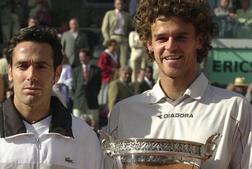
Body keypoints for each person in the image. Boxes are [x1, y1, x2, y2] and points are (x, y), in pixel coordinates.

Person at [105, 0, 252, 169]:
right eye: (161, 38)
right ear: (149, 44)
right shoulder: (123, 112)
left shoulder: (234, 109)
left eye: (181, 37)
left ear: (199, 40)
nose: (170, 46)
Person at [0, 26, 103, 169]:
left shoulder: (85, 139)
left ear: (57, 74)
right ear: (10, 72)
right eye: (22, 66)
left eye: (41, 66)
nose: (31, 76)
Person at [72, 48, 102, 126]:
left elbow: (98, 86)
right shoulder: (76, 71)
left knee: (94, 125)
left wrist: (93, 95)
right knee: (76, 126)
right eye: (80, 57)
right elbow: (73, 87)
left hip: (92, 103)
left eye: (83, 57)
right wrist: (76, 98)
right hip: (79, 103)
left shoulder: (97, 70)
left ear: (88, 57)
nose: (81, 59)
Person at [101, 0, 132, 67]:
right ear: (115, 4)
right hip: (113, 38)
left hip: (124, 38)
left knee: (124, 60)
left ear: (124, 5)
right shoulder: (109, 14)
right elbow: (104, 28)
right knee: (113, 58)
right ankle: (113, 76)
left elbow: (131, 28)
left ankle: (122, 75)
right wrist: (107, 39)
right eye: (118, 4)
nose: (120, 5)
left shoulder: (127, 15)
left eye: (121, 4)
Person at [97, 39, 120, 106]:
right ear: (108, 46)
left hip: (114, 78)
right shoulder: (104, 55)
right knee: (104, 93)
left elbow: (118, 65)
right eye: (112, 46)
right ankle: (102, 106)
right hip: (106, 77)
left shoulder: (116, 55)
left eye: (115, 46)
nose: (114, 47)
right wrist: (112, 69)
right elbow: (101, 66)